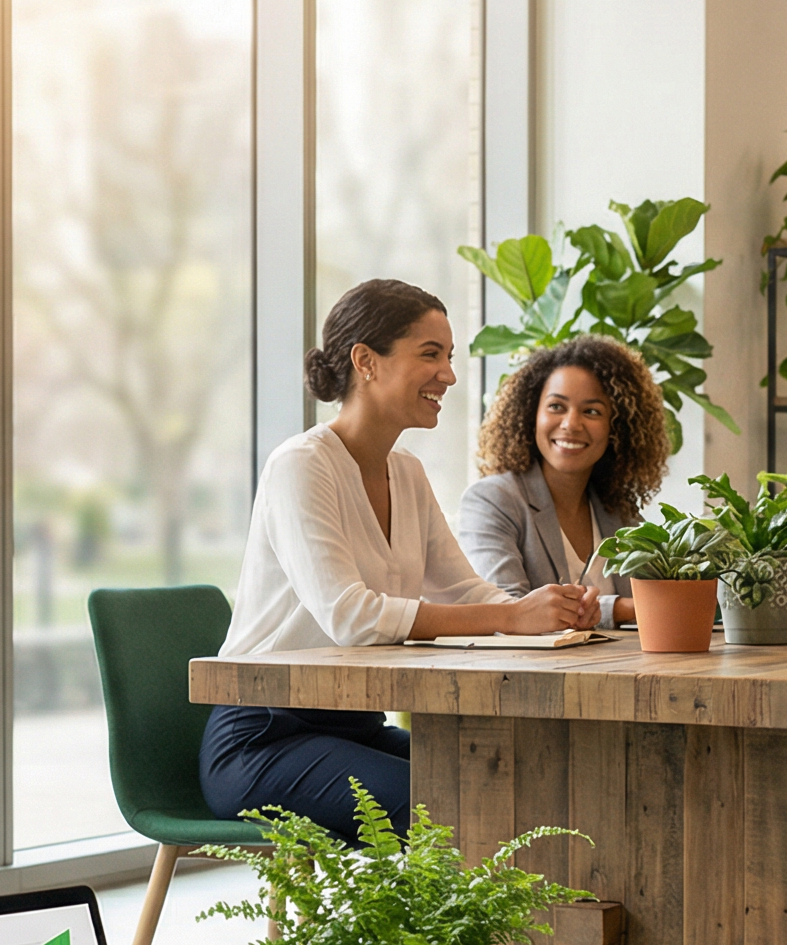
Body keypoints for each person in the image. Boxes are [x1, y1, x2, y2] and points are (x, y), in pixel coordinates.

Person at [203, 279, 597, 838]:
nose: (450, 375)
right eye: (430, 354)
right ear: (366, 361)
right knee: (448, 808)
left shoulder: (406, 472)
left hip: (355, 727)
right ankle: (466, 932)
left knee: (519, 782)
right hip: (264, 738)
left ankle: (523, 930)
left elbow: (465, 591)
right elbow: (352, 617)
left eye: (450, 357)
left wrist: (541, 612)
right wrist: (511, 618)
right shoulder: (301, 465)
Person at [455, 336, 672, 628]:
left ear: (616, 429)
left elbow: (662, 601)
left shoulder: (620, 514)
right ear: (532, 414)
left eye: (592, 411)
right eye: (557, 406)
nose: (571, 424)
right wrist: (618, 608)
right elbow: (505, 606)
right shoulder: (493, 500)